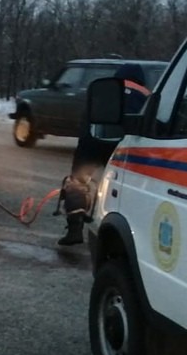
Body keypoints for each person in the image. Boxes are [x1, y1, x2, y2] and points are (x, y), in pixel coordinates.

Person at [57, 62, 152, 245]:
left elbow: (86, 119)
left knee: (77, 183)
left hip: (93, 141)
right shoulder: (146, 95)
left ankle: (75, 228)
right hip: (124, 147)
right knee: (124, 189)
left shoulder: (104, 89)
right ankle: (119, 234)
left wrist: (84, 149)